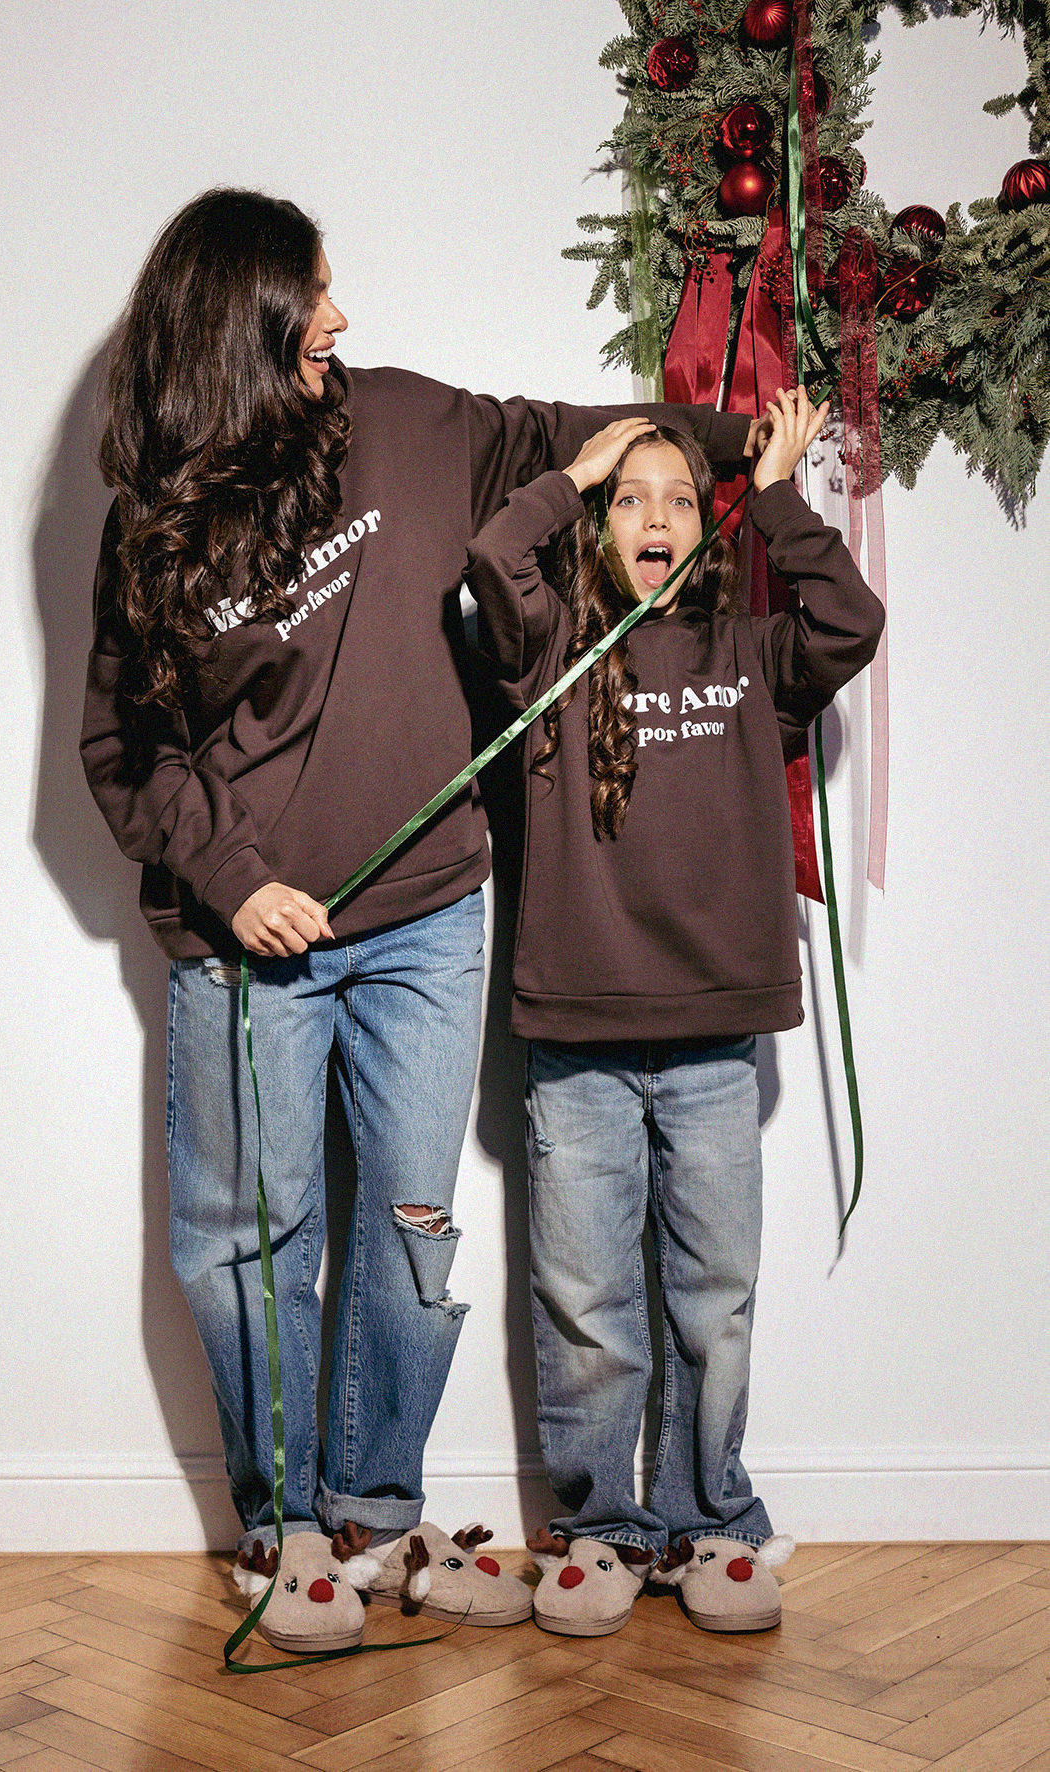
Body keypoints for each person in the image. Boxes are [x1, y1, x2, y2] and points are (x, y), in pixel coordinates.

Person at [80, 186, 761, 1652]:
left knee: (410, 1232)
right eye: (312, 298)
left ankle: (375, 1519)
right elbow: (126, 753)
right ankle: (282, 1529)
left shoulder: (406, 424)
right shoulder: (157, 522)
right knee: (249, 1243)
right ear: (238, 327)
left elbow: (572, 435)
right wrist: (233, 880)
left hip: (427, 918)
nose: (340, 317)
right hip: (249, 942)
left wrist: (731, 434)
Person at [466, 389, 884, 1636]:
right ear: (596, 527)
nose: (654, 517)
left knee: (714, 1296)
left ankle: (711, 1519)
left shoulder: (750, 653)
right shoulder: (547, 649)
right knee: (586, 1303)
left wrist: (771, 492)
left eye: (678, 501)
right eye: (628, 501)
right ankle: (600, 1528)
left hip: (711, 1042)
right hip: (575, 1040)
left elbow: (850, 618)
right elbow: (493, 558)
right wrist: (575, 468)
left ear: (708, 529)